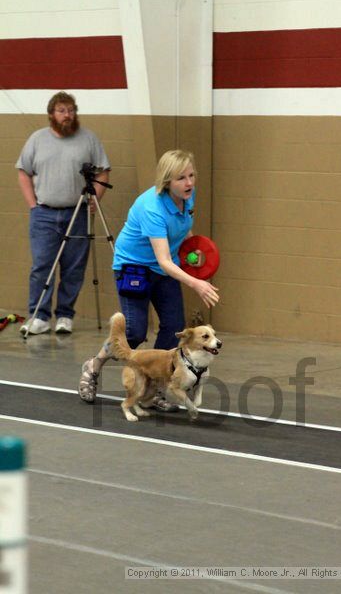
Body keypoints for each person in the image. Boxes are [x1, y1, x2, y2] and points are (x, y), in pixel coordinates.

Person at [79, 149, 219, 411]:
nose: (189, 183)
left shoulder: (187, 196)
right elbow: (164, 259)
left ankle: (155, 386)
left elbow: (182, 229)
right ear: (167, 181)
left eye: (191, 176)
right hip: (135, 267)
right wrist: (196, 283)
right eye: (181, 178)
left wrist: (193, 249)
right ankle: (94, 364)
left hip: (164, 267)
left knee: (173, 326)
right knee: (133, 332)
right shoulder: (151, 207)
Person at [16, 91, 110, 335]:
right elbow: (23, 171)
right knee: (42, 266)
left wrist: (95, 198)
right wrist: (32, 205)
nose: (67, 115)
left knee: (74, 268)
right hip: (44, 214)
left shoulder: (89, 139)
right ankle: (39, 316)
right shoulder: (37, 139)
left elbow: (102, 172)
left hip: (77, 213)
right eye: (62, 111)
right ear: (51, 114)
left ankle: (65, 316)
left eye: (71, 110)